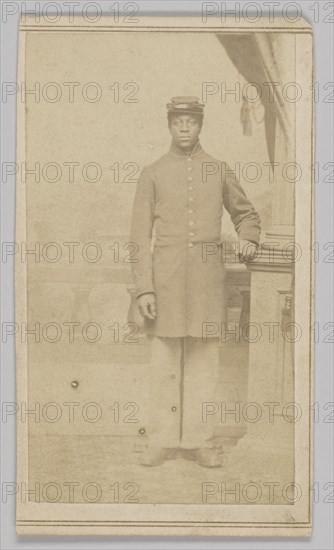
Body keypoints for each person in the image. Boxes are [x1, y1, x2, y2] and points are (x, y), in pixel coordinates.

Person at [130, 96, 261, 467]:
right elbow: (138, 238)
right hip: (165, 283)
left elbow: (245, 213)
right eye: (178, 122)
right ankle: (161, 439)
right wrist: (145, 288)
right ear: (169, 125)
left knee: (204, 365)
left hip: (206, 282)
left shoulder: (218, 170)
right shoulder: (152, 173)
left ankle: (200, 440)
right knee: (164, 364)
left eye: (191, 121)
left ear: (201, 125)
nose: (184, 128)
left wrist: (248, 237)